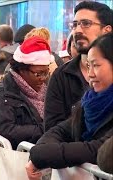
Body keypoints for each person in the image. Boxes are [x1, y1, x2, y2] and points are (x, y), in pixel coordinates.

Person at [26, 33, 113, 180]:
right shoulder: (88, 102)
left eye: (96, 65)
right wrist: (41, 152)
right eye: (88, 66)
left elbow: (96, 150)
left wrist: (41, 154)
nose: (90, 74)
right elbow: (61, 130)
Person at [44, 1, 113, 131]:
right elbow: (52, 128)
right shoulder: (61, 75)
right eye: (75, 25)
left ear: (107, 31)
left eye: (86, 24)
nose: (77, 30)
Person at [0, 37, 52, 149]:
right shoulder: (1, 96)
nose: (43, 78)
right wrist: (45, 129)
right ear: (22, 70)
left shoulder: (48, 89)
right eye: (38, 74)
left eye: (46, 73)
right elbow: (6, 130)